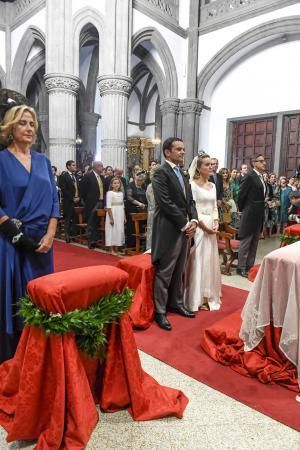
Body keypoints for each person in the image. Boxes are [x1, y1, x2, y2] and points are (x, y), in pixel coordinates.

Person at [0, 103, 59, 363]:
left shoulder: (44, 162)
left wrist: (50, 235)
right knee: (14, 300)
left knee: (40, 298)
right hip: (11, 241)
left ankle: (40, 356)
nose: (29, 128)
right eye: (23, 122)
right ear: (10, 127)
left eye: (32, 124)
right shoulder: (1, 160)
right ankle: (14, 358)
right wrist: (12, 231)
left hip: (43, 245)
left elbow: (55, 203)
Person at [151, 137, 198, 331]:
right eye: (178, 149)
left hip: (185, 227)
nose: (182, 152)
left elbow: (190, 201)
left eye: (183, 149)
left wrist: (194, 220)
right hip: (170, 227)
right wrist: (185, 223)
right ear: (167, 152)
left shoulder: (183, 173)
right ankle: (160, 311)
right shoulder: (160, 172)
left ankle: (176, 303)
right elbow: (165, 202)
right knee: (165, 271)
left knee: (180, 269)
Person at [184, 153, 221, 312]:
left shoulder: (212, 185)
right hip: (199, 226)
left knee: (209, 261)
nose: (210, 167)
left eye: (211, 164)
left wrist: (216, 221)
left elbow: (214, 207)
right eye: (207, 165)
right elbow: (192, 209)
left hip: (211, 227)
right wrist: (204, 227)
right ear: (198, 168)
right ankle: (195, 298)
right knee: (197, 260)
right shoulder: (192, 185)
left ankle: (207, 295)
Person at [237, 154, 266, 277]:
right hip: (250, 212)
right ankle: (241, 267)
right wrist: (245, 208)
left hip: (259, 213)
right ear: (254, 163)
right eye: (261, 161)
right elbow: (241, 195)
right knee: (246, 241)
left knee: (255, 241)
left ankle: (250, 265)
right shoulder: (249, 176)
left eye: (264, 161)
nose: (264, 163)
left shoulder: (260, 177)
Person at [80, 160, 105, 249]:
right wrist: (87, 201)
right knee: (91, 222)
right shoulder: (87, 176)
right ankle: (90, 241)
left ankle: (96, 239)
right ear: (96, 167)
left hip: (101, 202)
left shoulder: (102, 177)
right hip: (92, 203)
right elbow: (82, 191)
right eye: (101, 166)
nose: (103, 168)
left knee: (97, 222)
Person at [59, 160, 81, 243]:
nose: (75, 166)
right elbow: (64, 189)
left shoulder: (76, 176)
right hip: (68, 201)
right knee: (68, 219)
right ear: (68, 166)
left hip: (77, 200)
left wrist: (79, 197)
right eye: (73, 165)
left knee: (75, 219)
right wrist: (72, 198)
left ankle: (74, 235)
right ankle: (67, 236)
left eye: (75, 165)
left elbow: (78, 188)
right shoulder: (64, 176)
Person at [125, 172, 148, 248]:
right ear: (135, 179)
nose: (140, 182)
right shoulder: (130, 186)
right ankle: (131, 244)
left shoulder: (144, 186)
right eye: (138, 180)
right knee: (132, 227)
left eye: (141, 180)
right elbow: (129, 197)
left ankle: (141, 244)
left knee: (141, 226)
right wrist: (139, 203)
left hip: (142, 210)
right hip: (132, 209)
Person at [105, 177, 126, 255]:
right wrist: (111, 218)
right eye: (115, 183)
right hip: (113, 212)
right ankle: (111, 249)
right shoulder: (109, 193)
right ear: (112, 185)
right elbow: (108, 206)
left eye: (118, 183)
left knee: (119, 230)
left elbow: (123, 205)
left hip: (120, 213)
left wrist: (124, 217)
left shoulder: (121, 193)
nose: (116, 184)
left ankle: (117, 249)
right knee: (112, 230)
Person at [145, 165, 159, 250]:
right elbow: (153, 201)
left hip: (158, 211)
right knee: (152, 231)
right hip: (153, 211)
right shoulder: (151, 186)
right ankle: (150, 249)